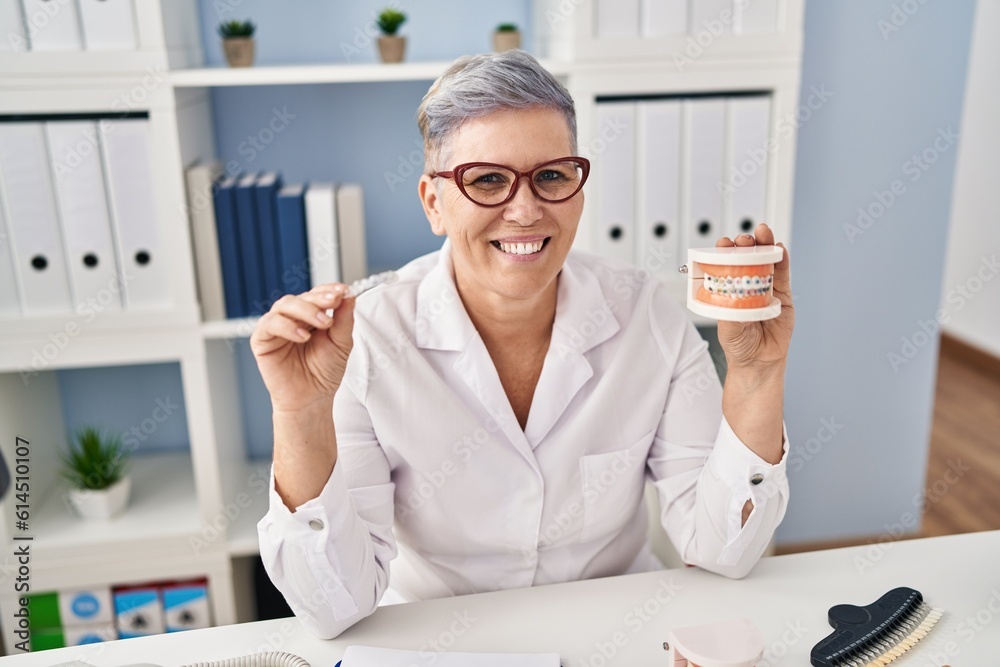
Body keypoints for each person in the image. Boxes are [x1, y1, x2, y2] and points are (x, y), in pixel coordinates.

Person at [251, 50, 793, 639]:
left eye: (552, 176)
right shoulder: (366, 340)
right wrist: (300, 414)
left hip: (616, 631)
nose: (526, 209)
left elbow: (724, 550)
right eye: (487, 180)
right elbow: (334, 606)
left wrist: (757, 375)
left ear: (579, 190)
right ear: (434, 203)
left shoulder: (645, 313)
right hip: (443, 642)